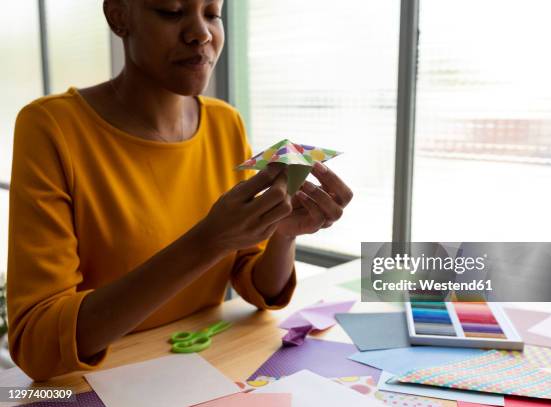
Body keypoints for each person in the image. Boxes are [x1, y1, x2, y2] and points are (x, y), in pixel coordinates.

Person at [7, 0, 353, 381]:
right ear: (119, 16)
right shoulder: (51, 128)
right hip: (97, 386)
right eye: (172, 12)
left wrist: (282, 234)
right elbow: (36, 344)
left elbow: (257, 287)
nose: (201, 33)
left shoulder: (224, 122)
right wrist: (208, 241)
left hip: (201, 374)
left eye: (212, 13)